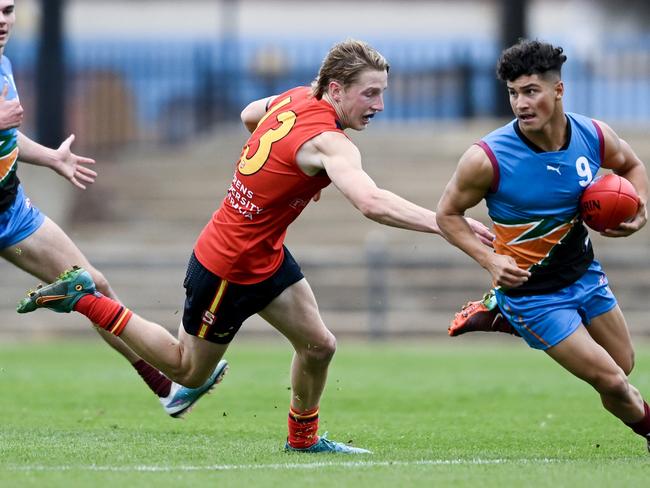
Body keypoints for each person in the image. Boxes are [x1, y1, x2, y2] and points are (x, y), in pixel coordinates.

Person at [17, 38, 493, 454]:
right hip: (228, 266)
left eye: (382, 93)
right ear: (335, 89)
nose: (379, 105)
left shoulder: (291, 99)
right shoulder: (332, 143)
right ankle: (85, 299)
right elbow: (369, 202)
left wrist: (280, 174)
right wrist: (445, 222)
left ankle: (303, 440)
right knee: (186, 372)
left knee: (319, 346)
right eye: (370, 93)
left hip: (263, 254)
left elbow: (250, 114)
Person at [0, 0, 226, 418]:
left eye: (8, 9)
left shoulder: (5, 64)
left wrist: (50, 156)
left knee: (94, 286)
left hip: (10, 210)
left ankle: (166, 387)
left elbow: (7, 137)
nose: (2, 19)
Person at [436, 39, 650, 451]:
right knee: (613, 383)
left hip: (585, 275)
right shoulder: (487, 158)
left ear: (558, 90)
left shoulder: (593, 134)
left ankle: (499, 316)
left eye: (531, 91)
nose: (521, 103)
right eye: (513, 93)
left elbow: (632, 165)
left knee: (623, 366)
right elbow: (447, 215)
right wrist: (490, 260)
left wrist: (639, 207)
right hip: (532, 294)